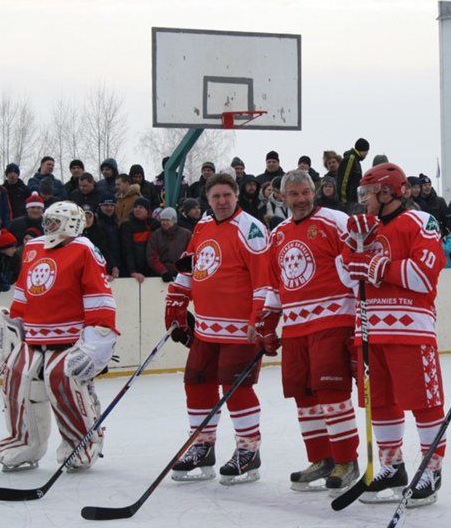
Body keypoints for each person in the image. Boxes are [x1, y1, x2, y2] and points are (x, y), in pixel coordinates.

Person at [341, 162, 447, 506]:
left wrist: (375, 266)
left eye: (367, 193)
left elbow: (424, 273)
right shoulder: (362, 228)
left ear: (387, 192)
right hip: (369, 328)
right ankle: (392, 467)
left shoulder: (420, 222)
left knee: (424, 402)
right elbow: (346, 279)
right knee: (380, 401)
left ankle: (431, 470)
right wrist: (354, 245)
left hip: (410, 330)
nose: (363, 200)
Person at [0, 201, 117, 472]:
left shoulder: (84, 249)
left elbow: (99, 297)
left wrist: (98, 340)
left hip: (70, 337)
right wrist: (15, 323)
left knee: (60, 378)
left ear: (72, 223)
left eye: (54, 222)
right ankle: (25, 443)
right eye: (47, 221)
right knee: (17, 378)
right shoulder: (34, 247)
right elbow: (25, 289)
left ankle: (81, 443)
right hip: (33, 336)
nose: (48, 227)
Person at [256, 169, 360, 493]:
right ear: (282, 197)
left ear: (314, 192)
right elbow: (277, 283)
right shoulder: (279, 234)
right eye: (294, 195)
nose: (301, 200)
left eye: (305, 193)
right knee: (303, 394)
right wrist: (268, 321)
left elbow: (355, 273)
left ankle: (346, 460)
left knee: (331, 393)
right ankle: (322, 459)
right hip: (296, 327)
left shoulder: (334, 221)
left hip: (332, 321)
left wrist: (361, 323)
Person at [164, 173, 271, 484]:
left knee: (236, 388)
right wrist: (176, 302)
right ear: (207, 200)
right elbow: (190, 267)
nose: (222, 201)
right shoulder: (204, 226)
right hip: (207, 329)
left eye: (227, 195)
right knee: (196, 383)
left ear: (236, 196)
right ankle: (202, 446)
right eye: (216, 197)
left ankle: (248, 451)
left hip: (241, 330)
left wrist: (258, 318)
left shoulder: (250, 229)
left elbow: (264, 279)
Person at [119, 197, 159, 283]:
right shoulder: (127, 225)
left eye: (141, 207)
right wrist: (132, 271)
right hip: (134, 272)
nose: (137, 209)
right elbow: (126, 250)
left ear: (147, 210)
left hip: (151, 270)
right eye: (135, 207)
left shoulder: (154, 224)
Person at [147, 207, 192, 282]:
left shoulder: (186, 234)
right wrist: (163, 271)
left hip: (181, 274)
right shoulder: (156, 235)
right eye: (162, 220)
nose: (164, 222)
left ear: (174, 221)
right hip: (161, 275)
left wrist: (183, 270)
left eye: (167, 220)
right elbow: (151, 256)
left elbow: (190, 254)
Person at [336, 138, 369, 206]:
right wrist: (343, 201)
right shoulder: (351, 159)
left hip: (353, 201)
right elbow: (344, 181)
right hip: (348, 201)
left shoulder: (356, 160)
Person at [95, 192, 120, 277]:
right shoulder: (97, 224)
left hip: (116, 265)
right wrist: (113, 265)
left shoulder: (115, 223)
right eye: (106, 205)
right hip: (104, 267)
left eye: (112, 205)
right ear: (100, 206)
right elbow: (102, 248)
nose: (109, 208)